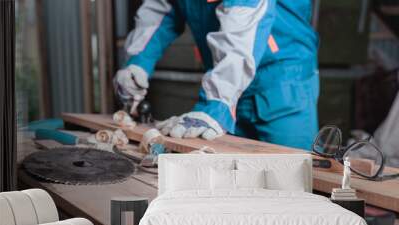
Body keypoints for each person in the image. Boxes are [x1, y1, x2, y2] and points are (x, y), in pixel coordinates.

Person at [114, 0, 319, 150]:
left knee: (290, 182)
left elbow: (239, 36)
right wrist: (137, 63)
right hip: (226, 84)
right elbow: (163, 9)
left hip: (280, 86)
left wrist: (215, 106)